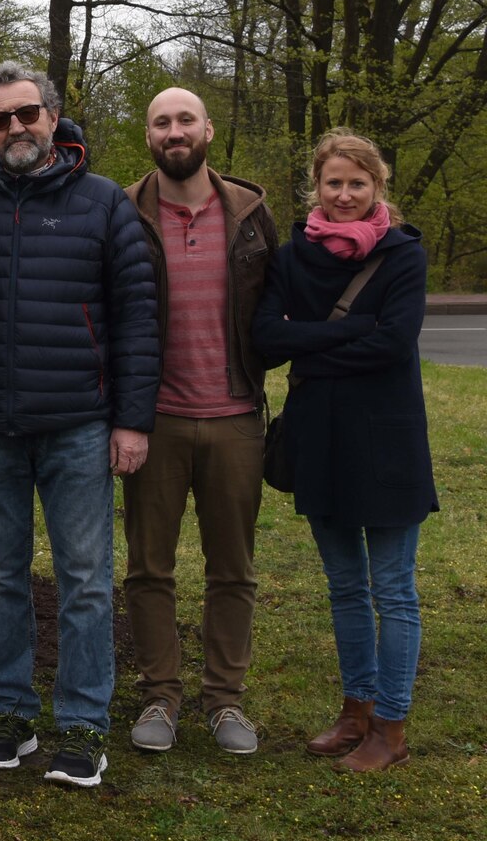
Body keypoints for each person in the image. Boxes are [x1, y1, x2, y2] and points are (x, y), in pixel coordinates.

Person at [0, 61, 157, 789]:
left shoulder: (103, 204)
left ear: (53, 116)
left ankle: (81, 723)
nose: (17, 128)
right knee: (0, 579)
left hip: (76, 421)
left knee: (86, 580)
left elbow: (137, 317)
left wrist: (132, 420)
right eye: (1, 118)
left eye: (27, 114)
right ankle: (12, 713)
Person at [254, 130, 436, 774]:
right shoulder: (291, 257)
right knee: (344, 588)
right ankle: (354, 711)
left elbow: (394, 344)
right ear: (317, 187)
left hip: (387, 443)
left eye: (358, 183)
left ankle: (390, 725)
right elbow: (264, 340)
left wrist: (312, 345)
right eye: (334, 183)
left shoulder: (402, 256)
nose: (346, 194)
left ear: (377, 187)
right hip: (321, 439)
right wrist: (354, 330)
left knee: (393, 589)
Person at [124, 88, 279, 757]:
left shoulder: (251, 214)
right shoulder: (126, 213)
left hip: (236, 416)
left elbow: (280, 304)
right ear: (149, 135)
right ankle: (160, 692)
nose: (175, 130)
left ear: (208, 129)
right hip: (152, 420)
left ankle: (225, 700)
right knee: (148, 567)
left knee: (233, 568)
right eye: (163, 121)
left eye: (186, 119)